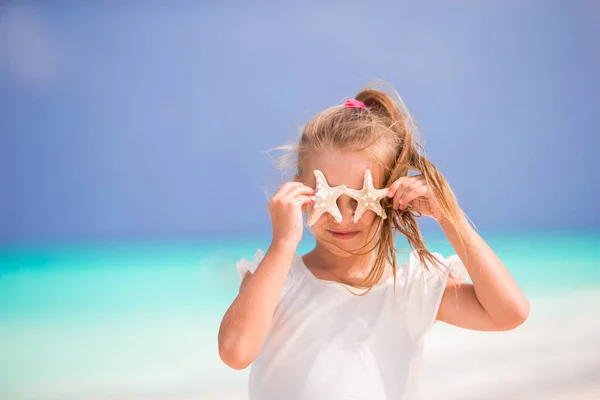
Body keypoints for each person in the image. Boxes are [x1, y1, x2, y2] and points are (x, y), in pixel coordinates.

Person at [217, 84, 529, 400]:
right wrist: (283, 242)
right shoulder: (276, 280)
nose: (343, 217)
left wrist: (449, 216)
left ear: (391, 195)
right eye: (328, 196)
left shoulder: (411, 287)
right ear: (299, 192)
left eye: (359, 199)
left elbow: (509, 313)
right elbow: (236, 352)